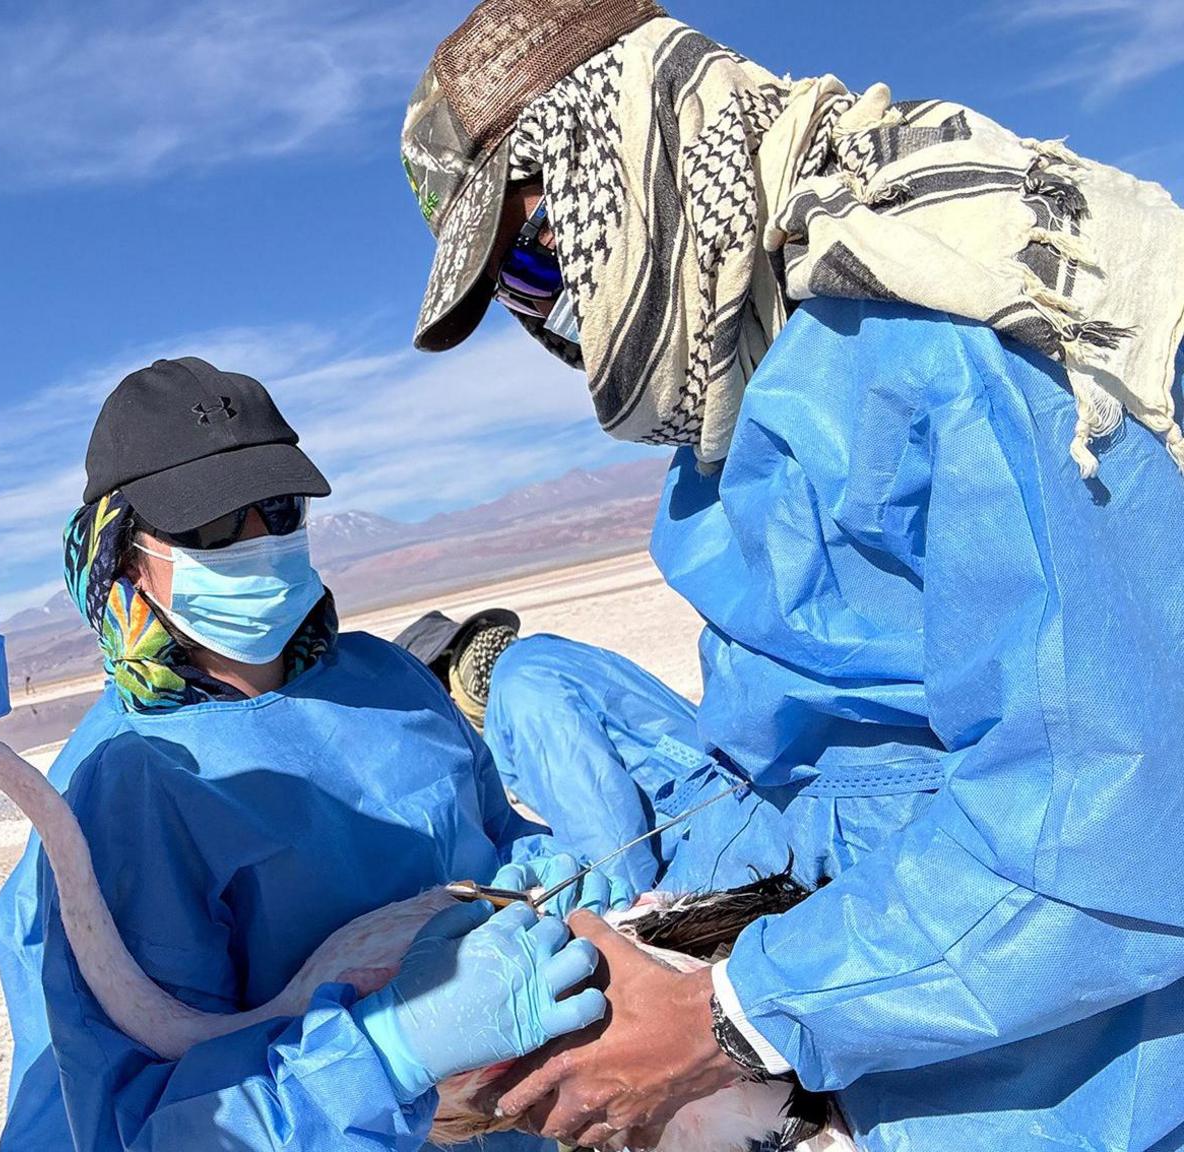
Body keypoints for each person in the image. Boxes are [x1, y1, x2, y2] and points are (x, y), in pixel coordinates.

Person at [398, 1, 1184, 1149]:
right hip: (910, 1030)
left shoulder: (948, 334)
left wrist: (740, 1013)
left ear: (627, 141)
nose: (549, 305)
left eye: (534, 249)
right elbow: (811, 766)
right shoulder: (748, 394)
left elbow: (1107, 806)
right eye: (516, 294)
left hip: (1090, 1067)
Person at [0, 356, 619, 1151]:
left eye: (277, 509)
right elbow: (147, 1122)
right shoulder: (130, 785)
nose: (257, 543)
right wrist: (391, 1054)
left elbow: (497, 826)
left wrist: (551, 877)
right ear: (124, 554)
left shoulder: (387, 676)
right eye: (211, 527)